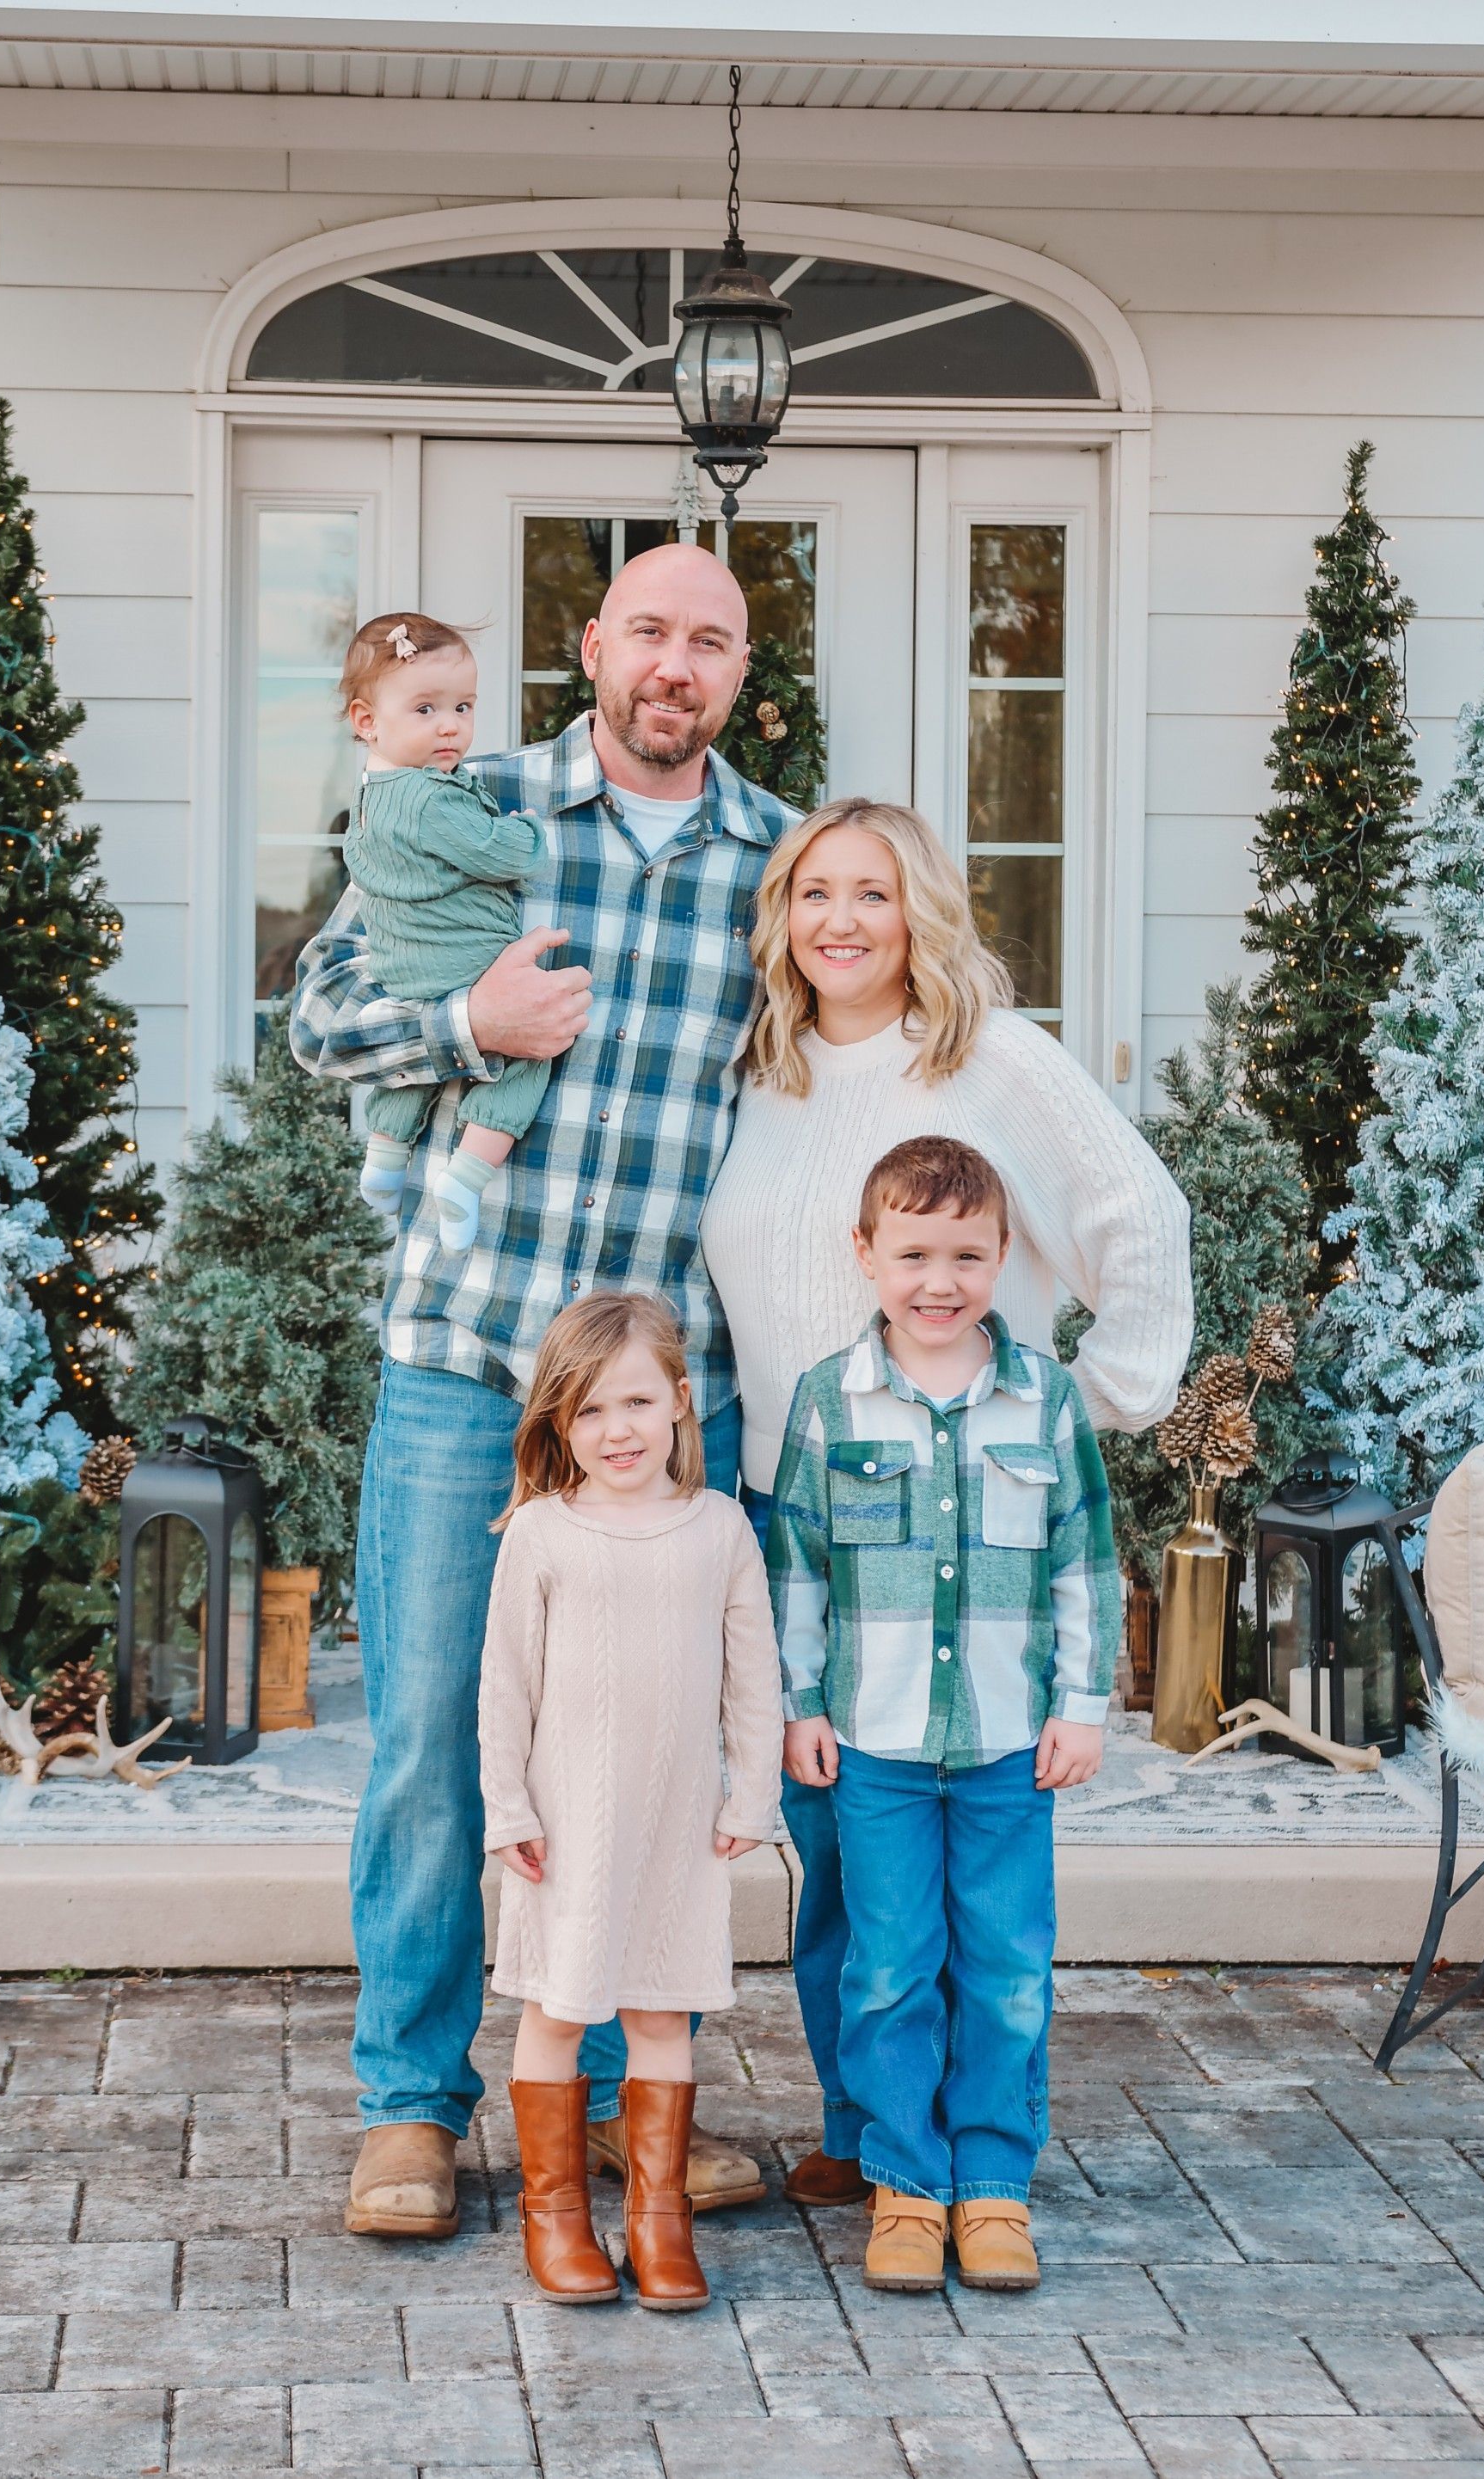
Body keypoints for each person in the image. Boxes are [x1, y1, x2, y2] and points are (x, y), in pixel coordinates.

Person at [290, 543, 798, 2241]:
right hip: (466, 1364)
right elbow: (320, 1019)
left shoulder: (779, 860)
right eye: (647, 629)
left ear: (739, 669)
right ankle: (412, 2109)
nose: (676, 662)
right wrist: (467, 1018)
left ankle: (604, 2102)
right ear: (595, 646)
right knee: (438, 1739)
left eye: (708, 640)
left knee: (634, 1760)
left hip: (655, 1409)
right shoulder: (461, 794)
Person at [702, 797, 1191, 2206]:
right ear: (783, 916)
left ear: (921, 909)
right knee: (840, 1858)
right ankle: (869, 2128)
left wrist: (1088, 1402)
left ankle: (969, 2159)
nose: (841, 920)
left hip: (957, 1532)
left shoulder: (990, 1060)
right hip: (787, 1519)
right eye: (814, 892)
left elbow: (1139, 1215)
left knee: (968, 1885)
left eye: (873, 891)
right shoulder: (765, 1069)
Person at [768, 1134, 1121, 2293]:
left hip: (1009, 1749)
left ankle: (993, 2182)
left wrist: (1081, 1705)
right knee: (890, 1965)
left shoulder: (1045, 1398)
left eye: (966, 1253)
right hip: (873, 1746)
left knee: (1009, 1962)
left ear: (1003, 1256)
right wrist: (798, 1703)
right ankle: (907, 2181)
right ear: (865, 1254)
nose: (940, 1278)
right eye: (913, 1250)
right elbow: (802, 1569)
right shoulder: (831, 1399)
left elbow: (1083, 1561)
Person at [479, 1292, 782, 2309]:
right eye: (591, 1410)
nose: (619, 1431)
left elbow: (753, 1677)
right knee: (557, 2008)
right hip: (565, 1829)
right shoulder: (541, 1535)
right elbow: (505, 1684)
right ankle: (556, 2218)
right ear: (560, 1423)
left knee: (662, 2008)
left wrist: (755, 1793)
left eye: (639, 1403)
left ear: (683, 1405)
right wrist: (507, 1807)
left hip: (678, 1825)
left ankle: (660, 2223)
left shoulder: (720, 1528)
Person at [340, 611, 547, 1252]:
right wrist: (529, 830)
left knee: (418, 1070)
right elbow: (500, 854)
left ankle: (383, 1159)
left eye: (463, 705)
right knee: (530, 1053)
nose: (451, 725)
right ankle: (467, 1174)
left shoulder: (374, 798)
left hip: (404, 966)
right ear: (367, 721)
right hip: (465, 959)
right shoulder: (433, 798)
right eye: (425, 709)